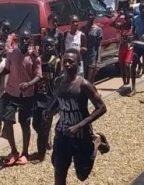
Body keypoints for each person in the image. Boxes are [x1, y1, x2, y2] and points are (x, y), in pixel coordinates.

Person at [45, 48, 109, 185]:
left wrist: (79, 126)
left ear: (78, 64)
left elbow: (102, 107)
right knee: (59, 172)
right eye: (65, 62)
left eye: (71, 62)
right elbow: (58, 99)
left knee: (82, 174)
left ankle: (96, 141)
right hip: (62, 132)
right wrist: (50, 110)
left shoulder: (84, 85)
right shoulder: (58, 82)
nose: (67, 64)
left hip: (81, 133)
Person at [0, 31, 42, 166]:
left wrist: (29, 84)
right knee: (7, 121)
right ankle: (14, 151)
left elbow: (38, 75)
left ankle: (25, 153)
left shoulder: (34, 57)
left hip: (27, 94)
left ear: (30, 41)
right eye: (22, 39)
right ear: (18, 40)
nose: (24, 42)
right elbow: (8, 69)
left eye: (27, 39)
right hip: (11, 92)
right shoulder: (11, 54)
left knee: (25, 123)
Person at [33, 36, 60, 162]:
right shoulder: (38, 60)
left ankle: (41, 154)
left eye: (51, 45)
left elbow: (59, 82)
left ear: (54, 47)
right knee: (35, 124)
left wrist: (57, 102)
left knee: (44, 127)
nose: (48, 47)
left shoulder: (57, 62)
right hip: (38, 97)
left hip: (50, 99)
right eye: (46, 45)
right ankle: (45, 140)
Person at [81, 11, 103, 84]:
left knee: (90, 80)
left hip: (92, 56)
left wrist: (98, 60)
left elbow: (99, 46)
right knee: (83, 79)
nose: (90, 17)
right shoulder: (82, 29)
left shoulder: (98, 30)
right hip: (83, 56)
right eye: (88, 15)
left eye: (92, 15)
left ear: (94, 16)